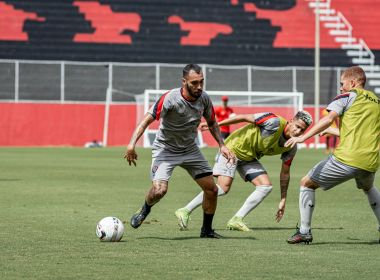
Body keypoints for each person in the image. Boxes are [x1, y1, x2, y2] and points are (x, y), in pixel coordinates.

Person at [124, 64, 235, 238]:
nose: (199, 87)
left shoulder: (204, 98)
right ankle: (145, 208)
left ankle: (206, 230)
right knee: (160, 190)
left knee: (212, 190)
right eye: (194, 83)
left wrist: (222, 145)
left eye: (201, 82)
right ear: (184, 82)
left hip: (190, 150)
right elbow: (146, 120)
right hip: (165, 150)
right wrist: (132, 144)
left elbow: (212, 122)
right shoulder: (170, 98)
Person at [285, 66, 380, 244]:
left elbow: (328, 118)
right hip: (371, 161)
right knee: (369, 188)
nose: (340, 87)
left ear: (352, 82)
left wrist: (303, 137)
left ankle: (304, 231)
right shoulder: (376, 101)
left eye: (342, 83)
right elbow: (363, 132)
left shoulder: (347, 96)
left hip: (347, 158)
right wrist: (333, 131)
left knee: (306, 183)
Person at [174, 110, 313, 232]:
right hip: (232, 149)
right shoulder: (273, 121)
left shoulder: (291, 147)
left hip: (249, 157)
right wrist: (216, 125)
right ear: (291, 121)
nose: (298, 132)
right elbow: (243, 117)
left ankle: (236, 219)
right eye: (297, 126)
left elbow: (285, 173)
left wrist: (283, 199)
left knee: (265, 186)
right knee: (222, 188)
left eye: (303, 130)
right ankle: (185, 210)